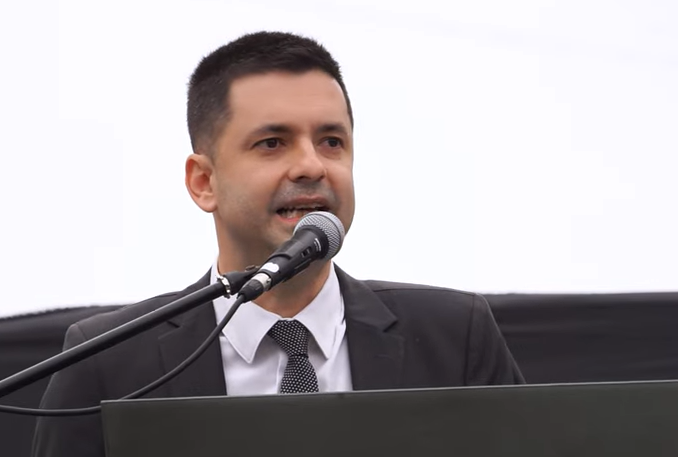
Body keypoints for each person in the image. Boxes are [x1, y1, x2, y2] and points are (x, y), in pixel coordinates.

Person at [31, 30, 524, 457]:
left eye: (332, 141)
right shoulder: (107, 362)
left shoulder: (454, 339)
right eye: (272, 143)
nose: (312, 165)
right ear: (204, 182)